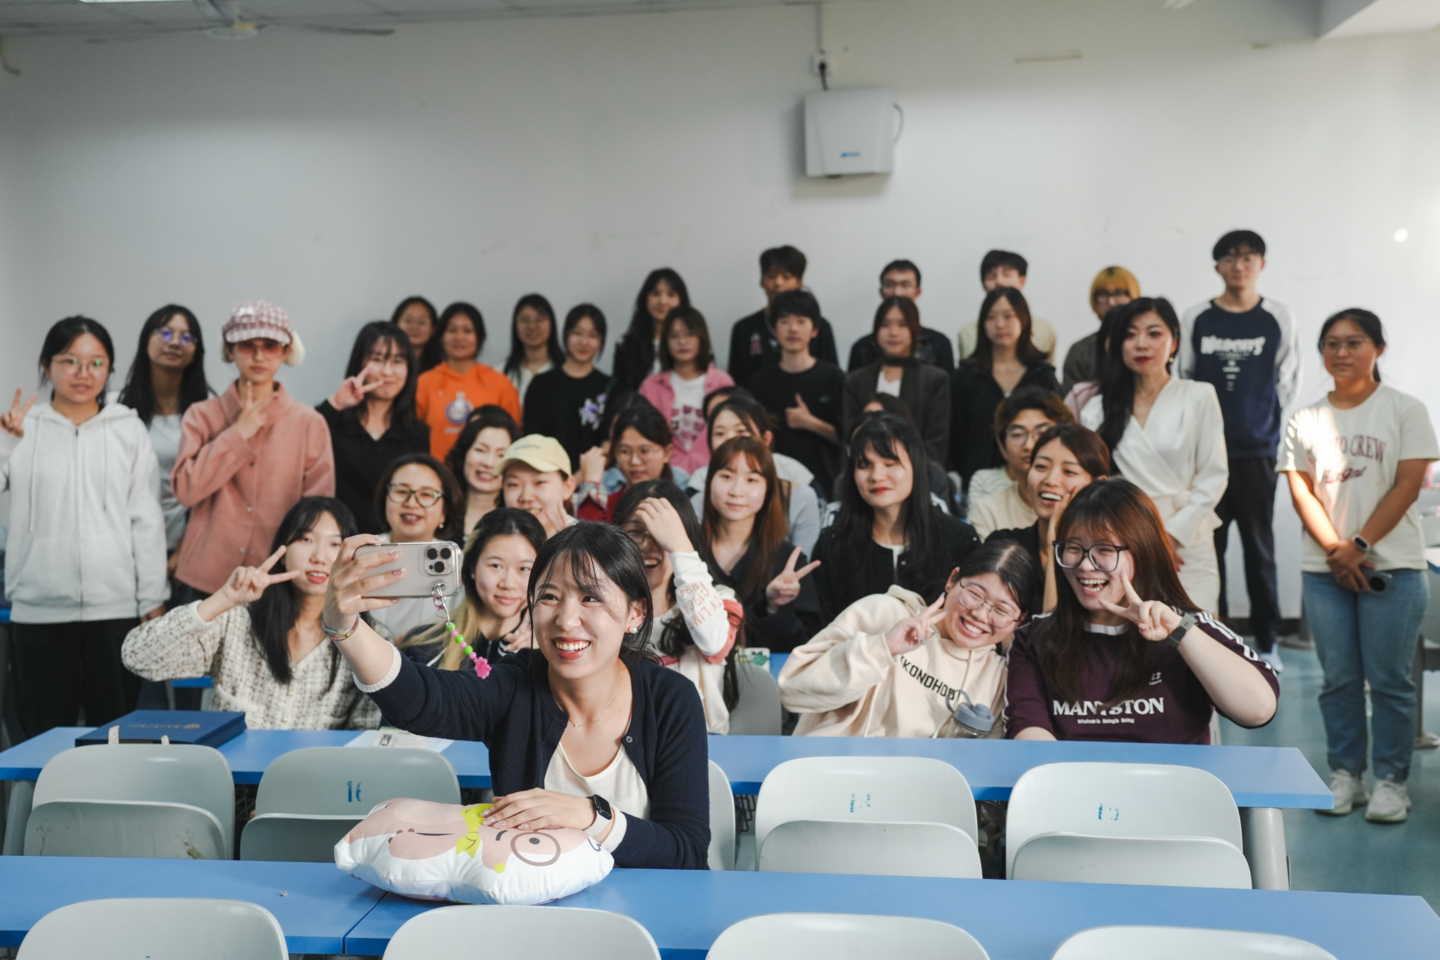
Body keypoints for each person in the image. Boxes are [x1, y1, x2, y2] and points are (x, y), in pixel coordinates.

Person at [325, 521, 712, 869]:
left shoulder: (670, 699)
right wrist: (344, 625)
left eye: (590, 598)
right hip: (532, 919)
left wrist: (591, 817)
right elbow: (423, 701)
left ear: (636, 613)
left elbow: (686, 850)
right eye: (549, 597)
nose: (565, 619)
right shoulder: (515, 685)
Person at [1279, 308, 1437, 823]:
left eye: (1354, 341)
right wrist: (1338, 550)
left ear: (1379, 349)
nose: (1342, 352)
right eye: (1331, 343)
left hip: (1396, 567)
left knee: (1390, 679)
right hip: (1325, 571)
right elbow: (1301, 489)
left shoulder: (1404, 409)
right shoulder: (1303, 418)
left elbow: (1408, 483)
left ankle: (1392, 780)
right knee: (1339, 679)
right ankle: (1346, 773)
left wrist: (1361, 543)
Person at [1006, 479, 1278, 743]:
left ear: (1144, 551)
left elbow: (1258, 710)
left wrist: (1179, 632)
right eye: (1073, 548)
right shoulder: (1033, 639)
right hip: (1077, 785)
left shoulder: (1187, 627)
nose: (1085, 565)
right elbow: (1030, 732)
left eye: (1104, 549)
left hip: (1172, 787)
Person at [1, 317, 168, 737]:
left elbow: (145, 517)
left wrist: (151, 598)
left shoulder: (127, 428)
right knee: (42, 739)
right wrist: (7, 444)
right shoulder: (22, 428)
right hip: (39, 613)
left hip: (114, 612)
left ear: (110, 369)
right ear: (46, 365)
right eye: (69, 360)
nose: (82, 373)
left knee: (114, 737)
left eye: (96, 363)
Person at [123, 497, 380, 729]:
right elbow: (138, 657)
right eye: (305, 539)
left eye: (335, 543)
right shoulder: (236, 619)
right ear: (282, 552)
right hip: (231, 779)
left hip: (317, 781)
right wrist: (222, 600)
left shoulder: (370, 638)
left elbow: (367, 735)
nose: (320, 557)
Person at [1180, 231, 1300, 671]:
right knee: (1210, 547)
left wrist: (1262, 426)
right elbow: (1187, 378)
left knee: (1258, 547)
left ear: (1261, 264)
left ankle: (1268, 642)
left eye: (1248, 257)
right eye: (1229, 258)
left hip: (1256, 453)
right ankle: (1220, 637)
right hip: (1207, 455)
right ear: (1217, 267)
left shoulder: (1278, 317)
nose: (1239, 264)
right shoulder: (1198, 317)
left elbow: (1287, 380)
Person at [779, 541, 1039, 737]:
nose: (981, 614)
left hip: (916, 799)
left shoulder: (997, 679)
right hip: (825, 779)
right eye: (974, 594)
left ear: (1020, 619)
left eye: (1002, 610)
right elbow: (792, 690)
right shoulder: (884, 611)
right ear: (952, 580)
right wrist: (881, 648)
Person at [172, 301, 335, 598]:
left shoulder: (309, 423)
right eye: (247, 345)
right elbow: (185, 490)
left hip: (277, 580)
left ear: (286, 351)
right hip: (204, 578)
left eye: (271, 345)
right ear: (230, 349)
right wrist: (237, 434)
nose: (259, 356)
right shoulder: (201, 415)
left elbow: (318, 513)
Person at [1082, 298, 1228, 611]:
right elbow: (1094, 482)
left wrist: (1171, 536)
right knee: (1133, 637)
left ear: (1173, 342)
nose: (1141, 344)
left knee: (1196, 636)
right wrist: (1136, 538)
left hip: (1187, 536)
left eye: (1154, 333)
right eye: (1130, 335)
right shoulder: (1097, 408)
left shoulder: (1199, 395)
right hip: (1124, 539)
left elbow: (1214, 475)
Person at [810, 414, 981, 624]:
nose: (876, 476)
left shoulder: (959, 540)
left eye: (890, 463)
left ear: (916, 466)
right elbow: (821, 629)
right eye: (864, 465)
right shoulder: (833, 544)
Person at [612, 482, 743, 734]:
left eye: (660, 533)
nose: (647, 544)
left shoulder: (721, 599)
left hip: (699, 742)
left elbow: (714, 642)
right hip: (622, 744)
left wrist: (681, 549)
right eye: (635, 532)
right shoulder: (601, 606)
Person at [117, 304, 214, 573]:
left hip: (187, 543)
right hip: (124, 541)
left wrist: (183, 548)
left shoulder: (209, 411)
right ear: (146, 339)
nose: (175, 343)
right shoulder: (116, 409)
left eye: (186, 337)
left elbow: (213, 492)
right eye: (166, 333)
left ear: (196, 351)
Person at [702, 436, 822, 653]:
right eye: (727, 476)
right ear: (710, 481)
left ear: (768, 489)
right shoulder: (686, 551)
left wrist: (774, 607)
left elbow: (806, 646)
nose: (737, 491)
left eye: (751, 480)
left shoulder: (785, 560)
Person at [398, 507, 545, 668]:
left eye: (524, 569)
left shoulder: (547, 653)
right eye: (496, 565)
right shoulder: (422, 646)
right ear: (472, 567)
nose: (508, 584)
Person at [319, 322, 429, 534]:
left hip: (392, 547)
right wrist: (335, 404)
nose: (388, 372)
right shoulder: (330, 421)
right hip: (336, 544)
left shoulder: (417, 435)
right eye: (378, 360)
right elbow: (300, 445)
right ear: (360, 362)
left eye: (398, 361)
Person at [988, 423, 1112, 613]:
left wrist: (1057, 541)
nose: (1050, 480)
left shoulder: (1109, 560)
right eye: (1041, 466)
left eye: (1069, 471)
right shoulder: (1004, 547)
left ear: (1098, 484)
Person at [687, 392, 821, 556]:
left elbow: (802, 562)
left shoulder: (799, 488)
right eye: (719, 433)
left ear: (766, 439)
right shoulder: (698, 491)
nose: (730, 441)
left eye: (742, 432)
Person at [950, 287, 1061, 486]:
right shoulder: (965, 376)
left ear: (1024, 320)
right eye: (991, 317)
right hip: (979, 479)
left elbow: (1058, 429)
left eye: (1008, 316)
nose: (999, 324)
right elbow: (956, 433)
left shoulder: (1042, 374)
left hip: (1036, 479)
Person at [745, 289, 846, 497]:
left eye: (801, 321)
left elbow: (848, 437)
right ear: (774, 329)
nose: (793, 329)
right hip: (771, 483)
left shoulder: (834, 378)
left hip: (825, 483)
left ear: (815, 329)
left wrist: (811, 423)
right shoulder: (758, 382)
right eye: (784, 321)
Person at [366, 453, 465, 642]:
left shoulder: (460, 564)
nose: (411, 503)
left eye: (426, 494)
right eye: (401, 491)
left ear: (444, 512)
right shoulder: (361, 554)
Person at [843, 296, 951, 465]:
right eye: (885, 325)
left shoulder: (934, 379)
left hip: (921, 471)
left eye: (902, 325)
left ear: (915, 329)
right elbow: (848, 436)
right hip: (866, 468)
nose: (893, 332)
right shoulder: (856, 380)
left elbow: (937, 442)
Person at [415, 302, 522, 461]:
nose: (459, 337)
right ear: (440, 336)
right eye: (451, 330)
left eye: (467, 331)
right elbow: (412, 435)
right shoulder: (425, 382)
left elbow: (514, 437)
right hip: (436, 476)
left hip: (486, 474)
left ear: (479, 338)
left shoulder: (500, 383)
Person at [966, 388, 1074, 539]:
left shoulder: (1078, 499)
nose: (1029, 445)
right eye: (1017, 435)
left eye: (1042, 433)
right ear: (1002, 445)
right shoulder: (988, 510)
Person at [639, 307, 734, 475]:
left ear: (701, 337)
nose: (682, 342)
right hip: (664, 476)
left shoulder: (722, 382)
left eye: (689, 334)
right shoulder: (651, 386)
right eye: (674, 336)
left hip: (714, 473)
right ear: (665, 341)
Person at [727, 245, 840, 386]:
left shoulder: (819, 325)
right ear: (762, 281)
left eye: (786, 277)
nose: (778, 283)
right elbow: (736, 384)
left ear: (800, 282)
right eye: (771, 276)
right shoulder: (744, 328)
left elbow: (832, 378)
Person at [523, 304, 618, 473]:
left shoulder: (611, 388)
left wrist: (577, 480)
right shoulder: (541, 384)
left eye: (593, 335)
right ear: (565, 334)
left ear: (601, 341)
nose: (584, 342)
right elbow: (532, 441)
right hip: (545, 478)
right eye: (577, 333)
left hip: (593, 479)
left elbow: (609, 444)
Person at [576, 398, 688, 522]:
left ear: (667, 453)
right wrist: (591, 483)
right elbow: (588, 539)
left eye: (644, 451)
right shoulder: (607, 505)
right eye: (625, 451)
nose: (634, 461)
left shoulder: (684, 501)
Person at [846, 260, 955, 372]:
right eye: (890, 285)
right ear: (881, 292)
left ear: (917, 292)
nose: (897, 292)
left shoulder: (939, 344)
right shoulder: (862, 348)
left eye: (905, 285)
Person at [957, 250, 1058, 362]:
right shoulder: (967, 333)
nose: (999, 282)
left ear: (1022, 281)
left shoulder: (1045, 329)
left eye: (1007, 275)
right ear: (984, 284)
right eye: (991, 276)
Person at [1060, 266, 1141, 395]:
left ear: (1133, 296)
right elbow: (1070, 404)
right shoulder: (1080, 350)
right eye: (1103, 294)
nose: (1111, 302)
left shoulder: (1143, 345)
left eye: (1119, 293)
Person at [446, 406, 520, 537]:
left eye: (501, 455)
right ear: (464, 454)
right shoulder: (440, 510)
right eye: (480, 450)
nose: (488, 463)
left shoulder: (519, 521)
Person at [613, 268, 689, 392]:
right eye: (655, 293)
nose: (662, 301)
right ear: (645, 298)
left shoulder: (692, 344)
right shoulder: (626, 346)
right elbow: (620, 396)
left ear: (681, 300)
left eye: (671, 295)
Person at [501, 434, 580, 537]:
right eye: (513, 484)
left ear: (567, 487)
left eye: (539, 482)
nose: (526, 497)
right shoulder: (490, 542)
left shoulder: (590, 546)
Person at [503, 294, 565, 402]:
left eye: (539, 320)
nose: (532, 326)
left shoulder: (567, 370)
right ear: (515, 325)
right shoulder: (502, 373)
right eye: (525, 320)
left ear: (551, 324)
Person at [391, 296, 443, 373]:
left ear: (433, 329)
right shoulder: (383, 363)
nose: (414, 327)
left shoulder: (442, 367)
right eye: (408, 321)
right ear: (395, 324)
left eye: (421, 322)